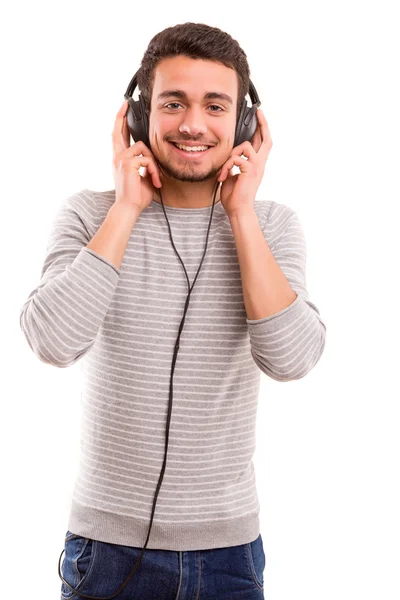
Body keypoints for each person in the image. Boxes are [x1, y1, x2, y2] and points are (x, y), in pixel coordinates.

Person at [19, 21, 326, 600]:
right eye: (173, 103)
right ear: (139, 116)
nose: (192, 123)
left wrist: (241, 216)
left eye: (215, 106)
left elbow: (291, 360)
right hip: (104, 552)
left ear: (243, 124)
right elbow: (52, 342)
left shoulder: (272, 226)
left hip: (230, 555)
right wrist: (128, 207)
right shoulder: (91, 216)